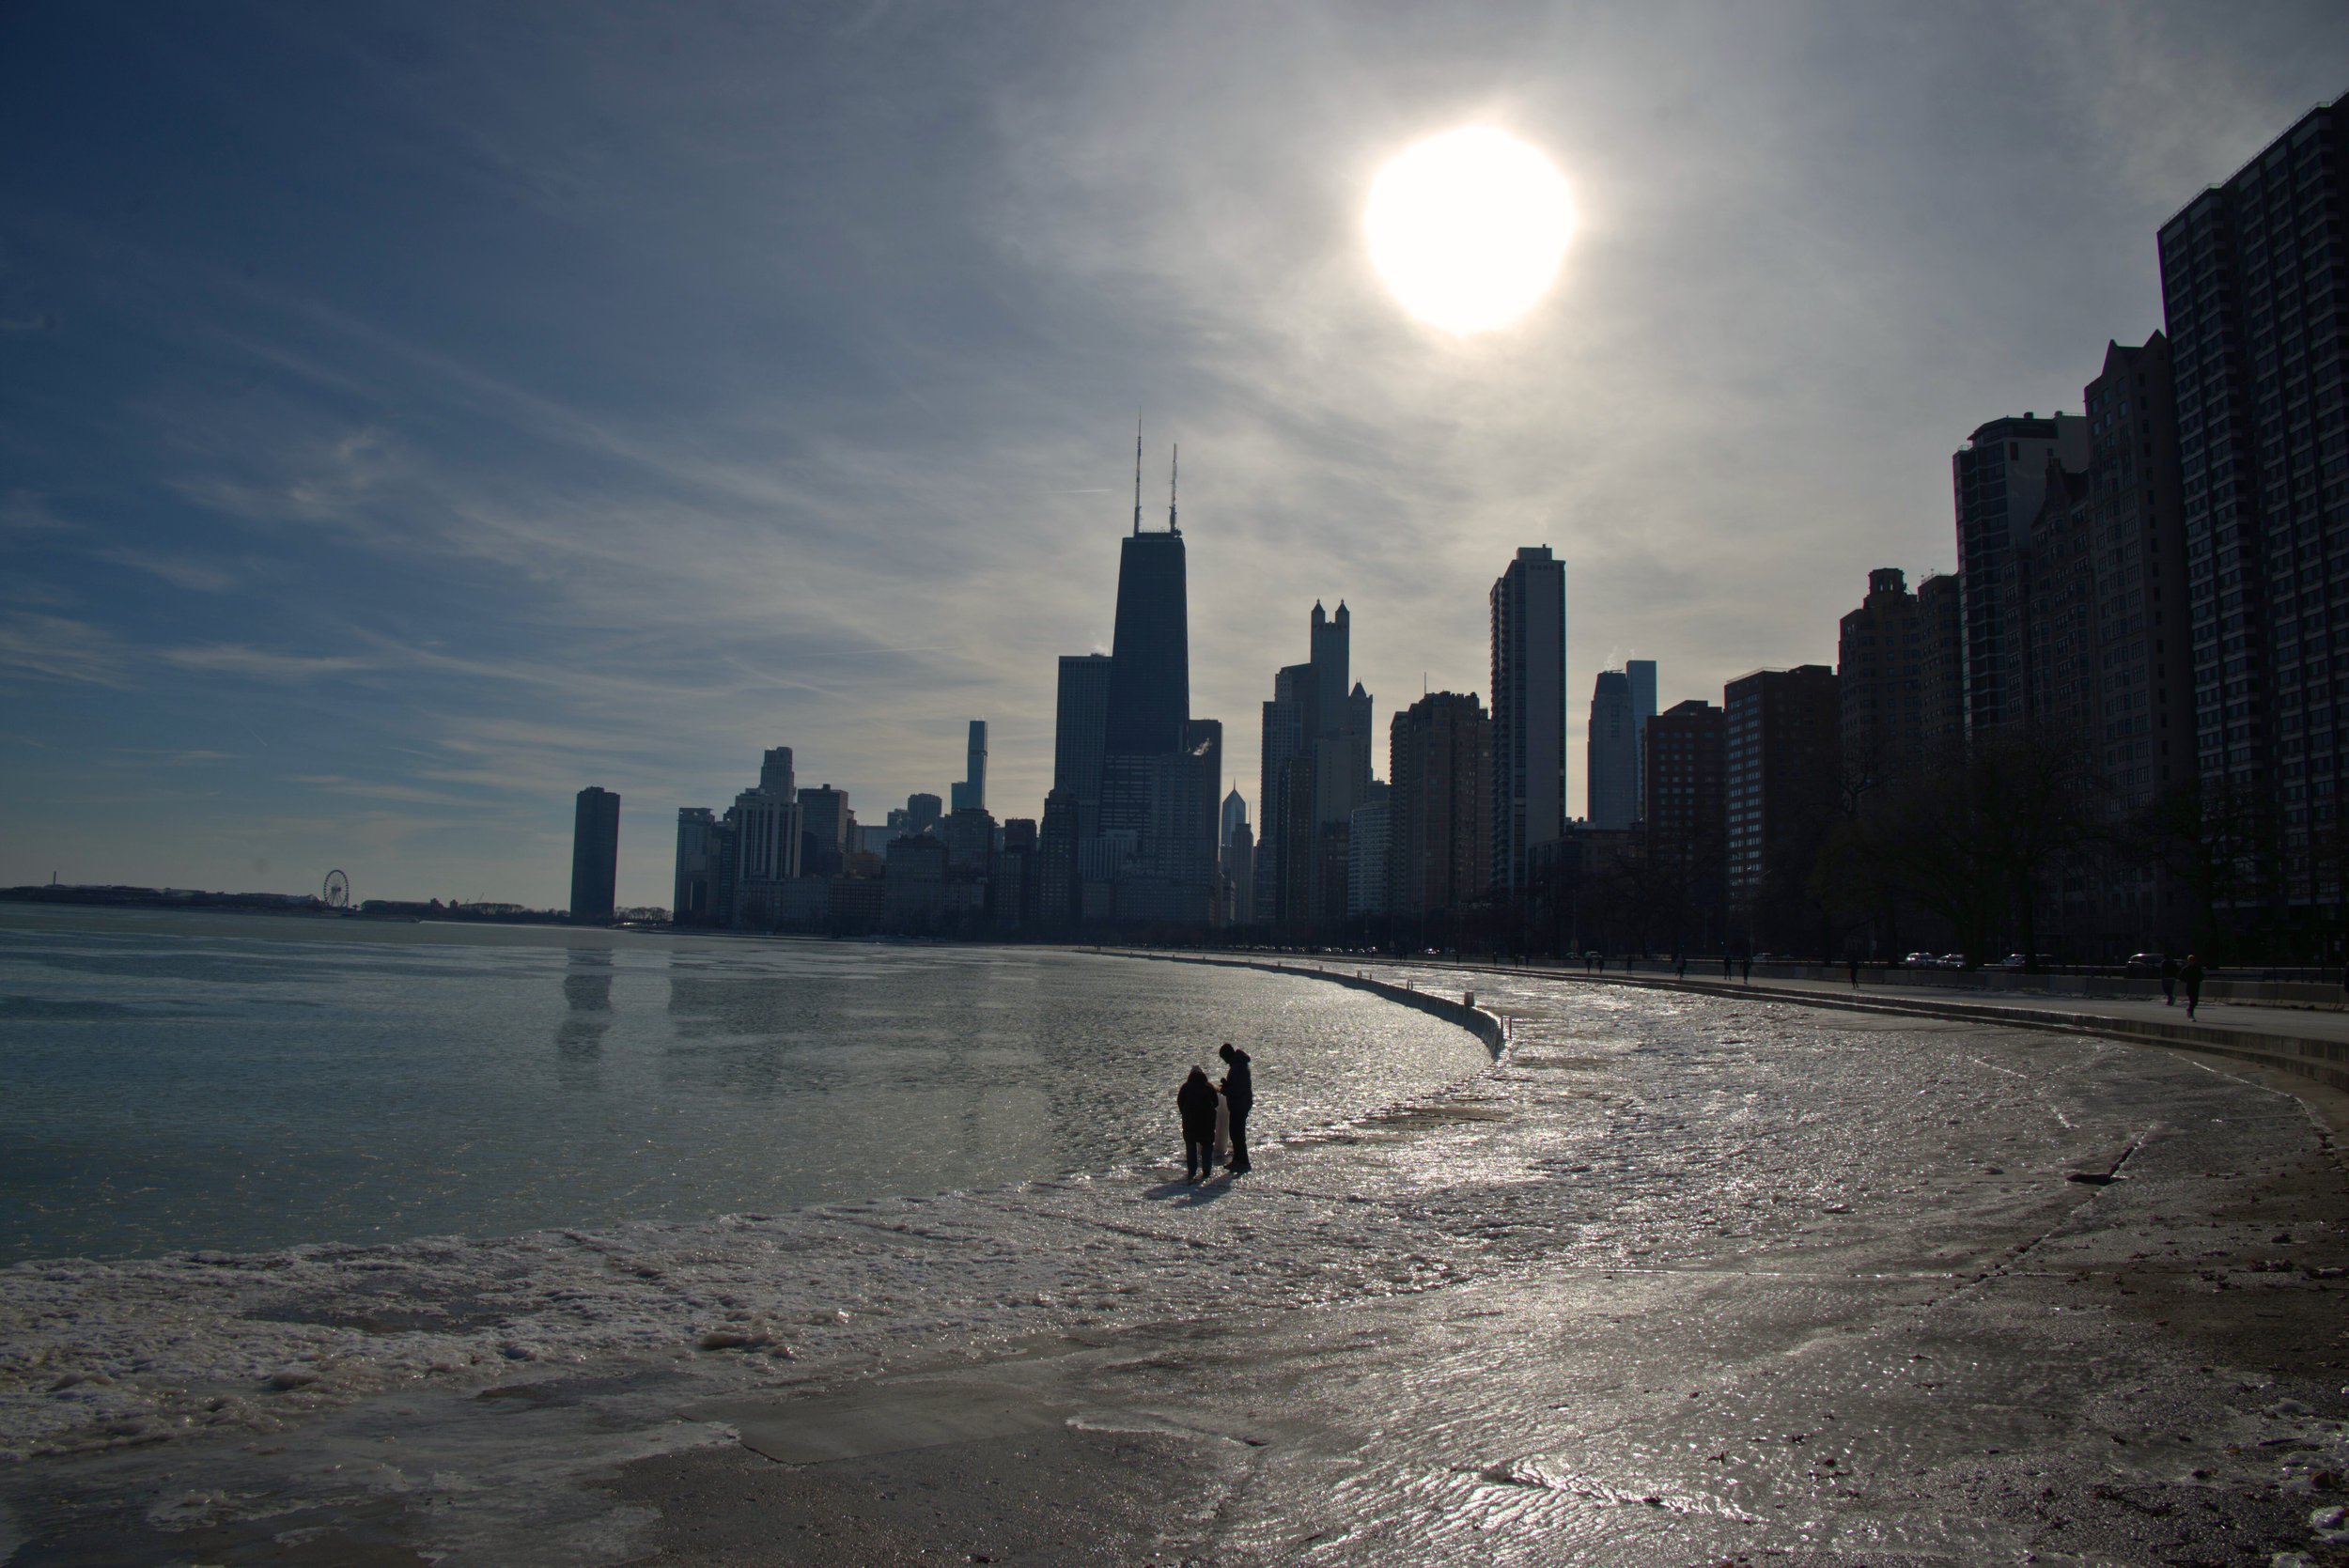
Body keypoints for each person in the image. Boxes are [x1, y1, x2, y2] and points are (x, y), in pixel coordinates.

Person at [1176, 1066, 1219, 1184]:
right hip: (1207, 1123)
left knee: (1191, 1147)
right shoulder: (1208, 1087)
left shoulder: (1185, 1087)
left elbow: (1180, 1102)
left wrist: (1185, 1113)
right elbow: (1216, 1103)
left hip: (1190, 1123)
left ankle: (1192, 1171)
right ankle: (1206, 1170)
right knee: (1207, 1146)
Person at [1218, 1041, 1253, 1174]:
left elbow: (1236, 1090)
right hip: (1241, 1103)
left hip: (1240, 1104)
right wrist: (1227, 1085)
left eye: (1224, 1058)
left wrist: (1225, 1089)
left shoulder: (1237, 1067)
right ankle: (1239, 1159)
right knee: (1236, 1133)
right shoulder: (1239, 1065)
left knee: (1237, 1134)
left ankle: (1242, 1161)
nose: (1225, 1062)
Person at [2180, 954, 2206, 1019]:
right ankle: (2190, 1013)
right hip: (2189, 986)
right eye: (2190, 960)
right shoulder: (2186, 969)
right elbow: (2181, 976)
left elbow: (2201, 975)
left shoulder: (2197, 968)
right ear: (2188, 961)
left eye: (2193, 960)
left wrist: (2199, 979)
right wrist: (2186, 980)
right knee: (2192, 1000)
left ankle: (2189, 1010)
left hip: (2196, 986)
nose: (2192, 961)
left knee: (2195, 1001)